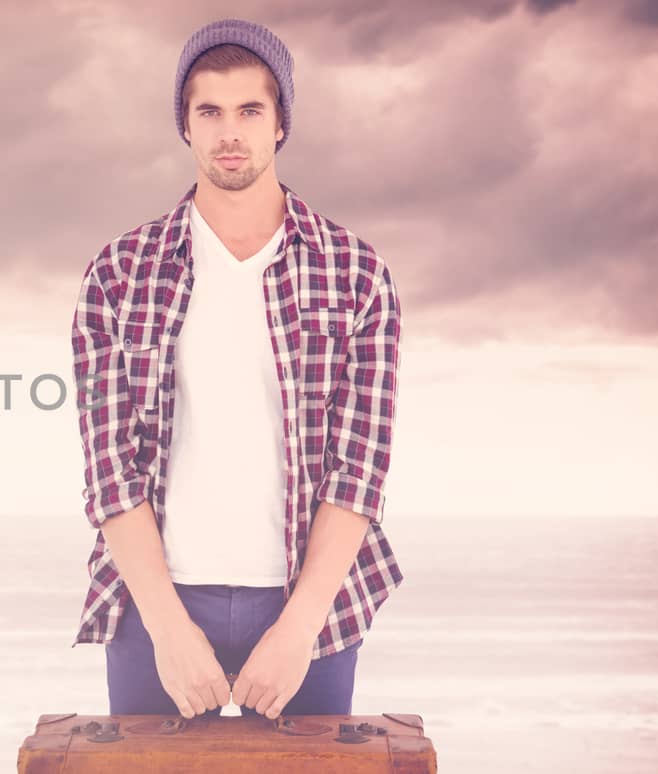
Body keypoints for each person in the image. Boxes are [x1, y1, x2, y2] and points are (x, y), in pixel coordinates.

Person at [69, 18, 406, 721]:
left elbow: (360, 469)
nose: (231, 132)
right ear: (185, 126)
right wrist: (166, 628)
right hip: (155, 600)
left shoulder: (357, 274)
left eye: (251, 110)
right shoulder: (119, 274)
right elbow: (110, 467)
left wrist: (298, 628)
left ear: (280, 123)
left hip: (306, 604)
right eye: (210, 112)